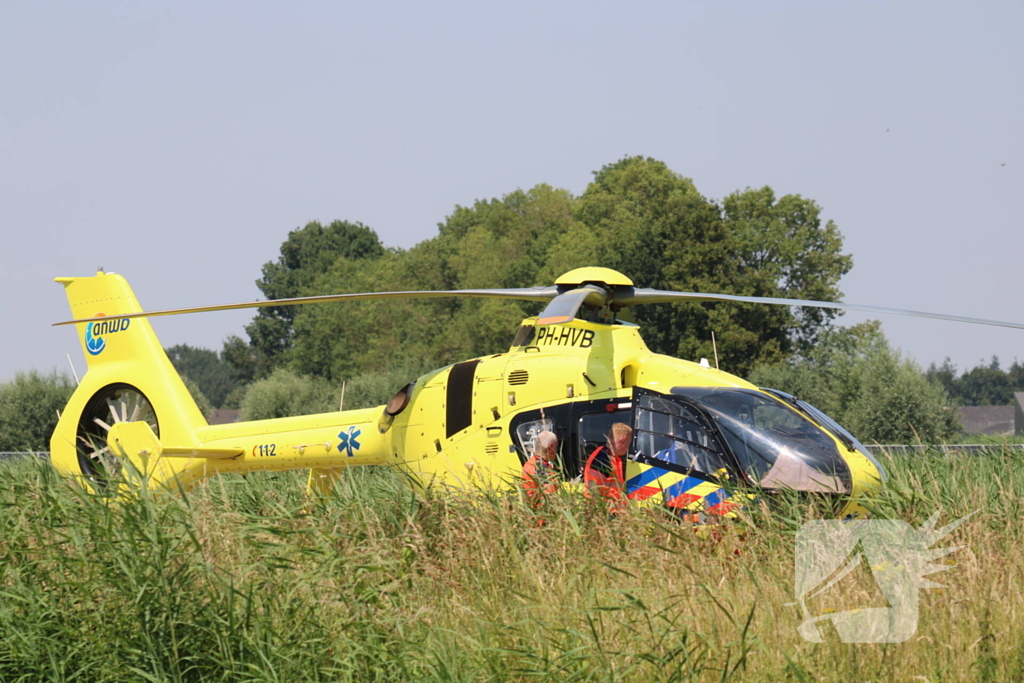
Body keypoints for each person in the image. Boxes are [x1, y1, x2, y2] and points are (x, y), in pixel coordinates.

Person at [584, 422, 631, 513]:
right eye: (629, 443)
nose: (628, 448)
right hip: (606, 514)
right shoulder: (602, 458)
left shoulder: (615, 458)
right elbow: (593, 491)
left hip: (615, 514)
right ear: (624, 440)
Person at [521, 430, 559, 509]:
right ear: (550, 447)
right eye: (556, 447)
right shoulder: (541, 468)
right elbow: (549, 495)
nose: (556, 451)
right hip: (543, 517)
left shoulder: (532, 463)